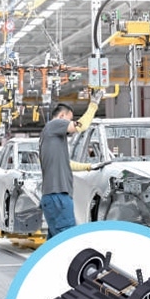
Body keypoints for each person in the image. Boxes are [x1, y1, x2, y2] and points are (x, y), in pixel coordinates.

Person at [39, 91, 103, 239]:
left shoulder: (51, 136)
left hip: (53, 197)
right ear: (62, 116)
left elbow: (66, 163)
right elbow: (81, 126)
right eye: (69, 119)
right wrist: (93, 105)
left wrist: (88, 167)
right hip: (58, 196)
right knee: (68, 241)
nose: (69, 124)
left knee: (56, 244)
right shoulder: (54, 125)